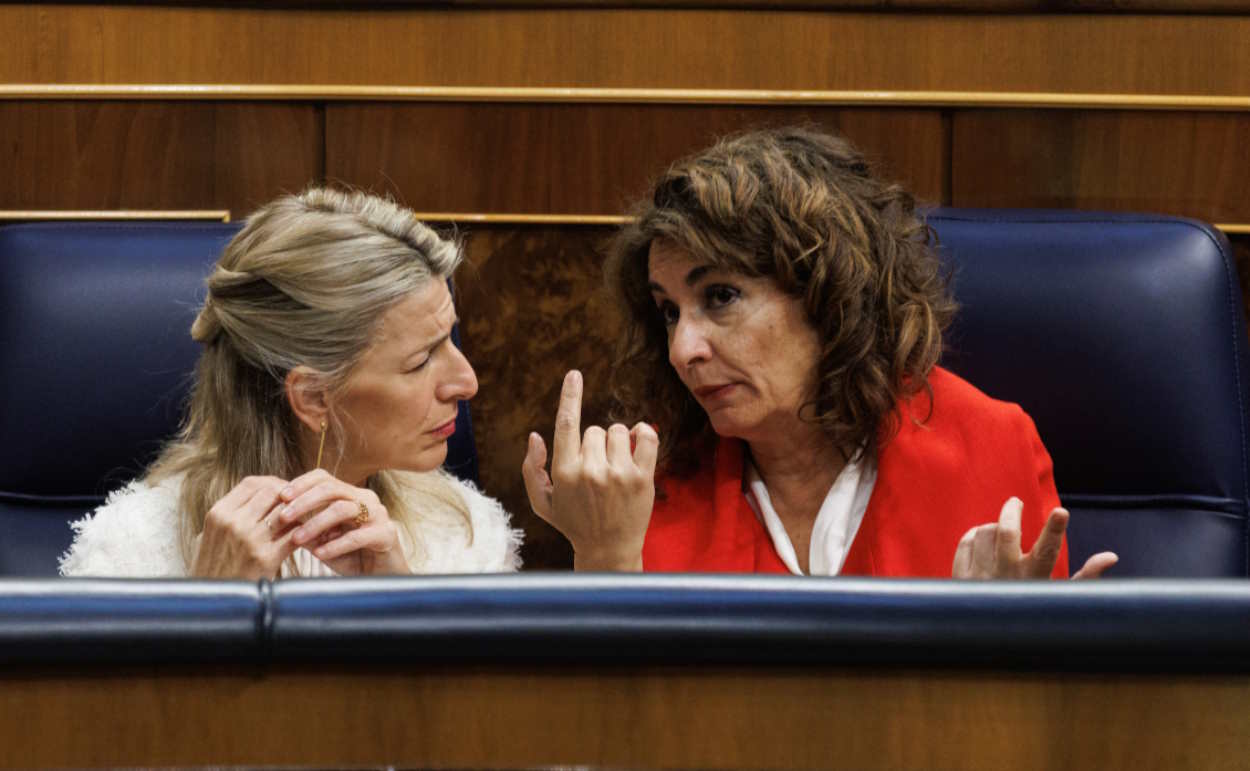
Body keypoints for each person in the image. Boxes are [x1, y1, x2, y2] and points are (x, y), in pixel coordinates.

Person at [522, 126, 1117, 579]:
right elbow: (624, 732)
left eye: (721, 296)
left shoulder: (989, 447)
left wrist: (1015, 654)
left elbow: (1023, 731)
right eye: (669, 311)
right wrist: (606, 560)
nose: (683, 349)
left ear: (830, 296)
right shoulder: (639, 486)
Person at [60, 188, 521, 578]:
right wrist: (204, 616)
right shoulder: (124, 558)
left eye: (450, 340)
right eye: (422, 360)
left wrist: (401, 608)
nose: (467, 383)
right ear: (313, 397)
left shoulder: (466, 537)